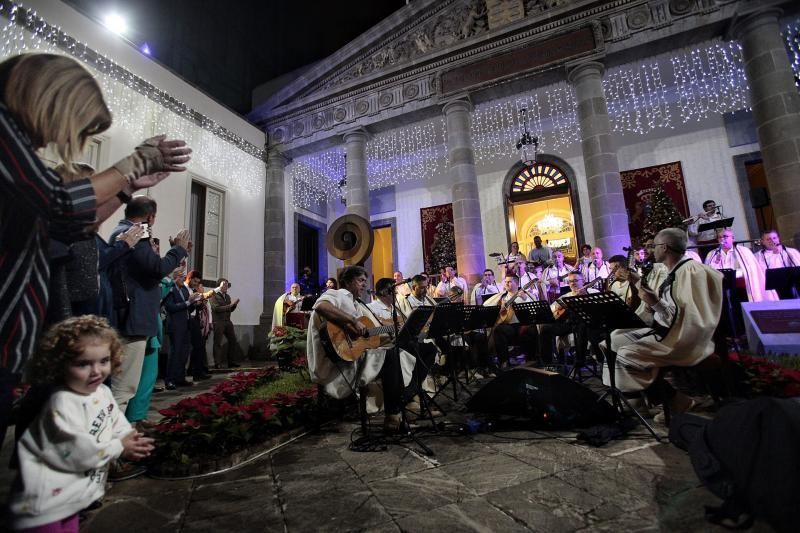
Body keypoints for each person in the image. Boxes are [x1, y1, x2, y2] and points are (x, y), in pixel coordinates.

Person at [0, 53, 190, 440]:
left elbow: (73, 226)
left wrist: (127, 186)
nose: (56, 140)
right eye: (70, 125)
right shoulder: (4, 134)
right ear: (47, 100)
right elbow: (61, 203)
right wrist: (132, 163)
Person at [8, 316, 154, 530]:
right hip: (43, 504)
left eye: (103, 361)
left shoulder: (101, 391)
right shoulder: (62, 402)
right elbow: (77, 450)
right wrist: (119, 447)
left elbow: (114, 419)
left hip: (73, 496)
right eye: (83, 364)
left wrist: (126, 436)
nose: (96, 371)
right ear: (59, 364)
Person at [607, 228, 723, 416]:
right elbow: (666, 306)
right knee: (612, 339)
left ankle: (664, 400)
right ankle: (643, 398)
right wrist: (638, 283)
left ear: (665, 247)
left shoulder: (690, 272)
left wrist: (655, 302)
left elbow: (684, 318)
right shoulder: (675, 270)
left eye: (654, 246)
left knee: (625, 354)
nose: (652, 250)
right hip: (670, 330)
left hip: (684, 338)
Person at [306, 266, 417, 432]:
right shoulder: (336, 294)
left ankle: (403, 404)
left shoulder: (356, 303)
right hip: (335, 362)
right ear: (348, 281)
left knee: (405, 352)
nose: (364, 285)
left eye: (365, 281)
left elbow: (367, 337)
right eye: (361, 280)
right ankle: (394, 413)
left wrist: (391, 332)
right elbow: (322, 307)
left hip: (353, 356)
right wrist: (352, 321)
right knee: (393, 356)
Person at [108, 197, 191, 409]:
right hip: (133, 317)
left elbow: (148, 269)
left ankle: (125, 431)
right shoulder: (136, 234)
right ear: (150, 217)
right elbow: (156, 269)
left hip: (128, 314)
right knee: (123, 388)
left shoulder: (120, 230)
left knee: (125, 385)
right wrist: (178, 250)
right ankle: (115, 439)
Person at [483, 275, 538, 366]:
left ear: (516, 283)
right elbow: (486, 305)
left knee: (532, 329)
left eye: (509, 282)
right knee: (498, 330)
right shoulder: (502, 297)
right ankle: (504, 361)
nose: (506, 284)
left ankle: (532, 361)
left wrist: (525, 299)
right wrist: (499, 309)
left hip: (523, 324)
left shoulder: (527, 295)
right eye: (505, 282)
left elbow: (535, 309)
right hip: (509, 326)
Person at [163, 268, 202, 390]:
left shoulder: (184, 290)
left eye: (183, 276)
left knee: (184, 353)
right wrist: (187, 303)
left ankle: (180, 377)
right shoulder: (170, 290)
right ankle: (170, 380)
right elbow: (170, 307)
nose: (182, 279)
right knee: (175, 353)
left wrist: (194, 304)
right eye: (180, 276)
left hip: (186, 324)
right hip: (175, 325)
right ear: (174, 278)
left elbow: (188, 307)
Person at [704, 229, 767, 303]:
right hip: (720, 288)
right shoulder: (712, 254)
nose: (722, 239)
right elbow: (708, 271)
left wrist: (733, 274)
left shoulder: (744, 251)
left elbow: (750, 270)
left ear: (732, 238)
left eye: (725, 236)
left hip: (740, 287)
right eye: (719, 237)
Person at [754, 229, 800, 300]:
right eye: (768, 239)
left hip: (791, 287)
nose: (772, 241)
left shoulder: (790, 251)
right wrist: (774, 255)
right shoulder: (757, 256)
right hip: (770, 291)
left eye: (774, 238)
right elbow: (760, 274)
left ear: (778, 239)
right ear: (762, 242)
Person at [211, 277, 242, 368]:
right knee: (218, 343)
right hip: (218, 322)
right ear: (219, 286)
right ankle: (218, 363)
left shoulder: (227, 296)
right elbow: (216, 308)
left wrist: (234, 306)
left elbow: (230, 310)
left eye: (227, 285)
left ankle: (231, 361)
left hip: (228, 322)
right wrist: (229, 306)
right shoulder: (214, 295)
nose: (226, 286)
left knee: (233, 341)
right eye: (224, 285)